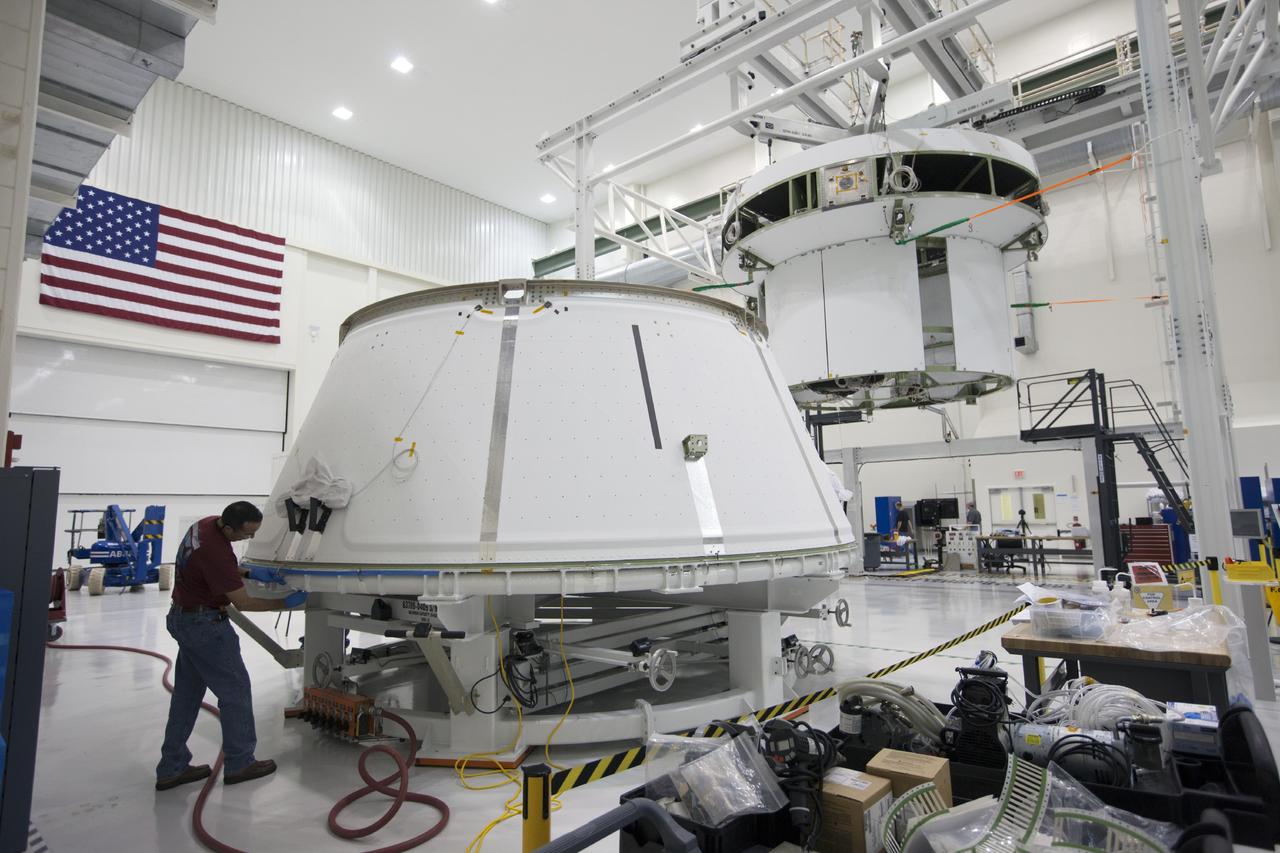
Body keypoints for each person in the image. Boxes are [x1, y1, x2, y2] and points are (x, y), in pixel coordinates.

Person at [155, 501, 307, 791]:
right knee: (235, 690)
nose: (247, 539)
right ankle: (240, 763)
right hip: (205, 626)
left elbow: (216, 567)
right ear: (228, 527)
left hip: (182, 618)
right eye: (245, 535)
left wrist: (247, 573)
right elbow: (244, 603)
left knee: (186, 696)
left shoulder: (204, 525)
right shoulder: (217, 552)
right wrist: (284, 604)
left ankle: (171, 767)